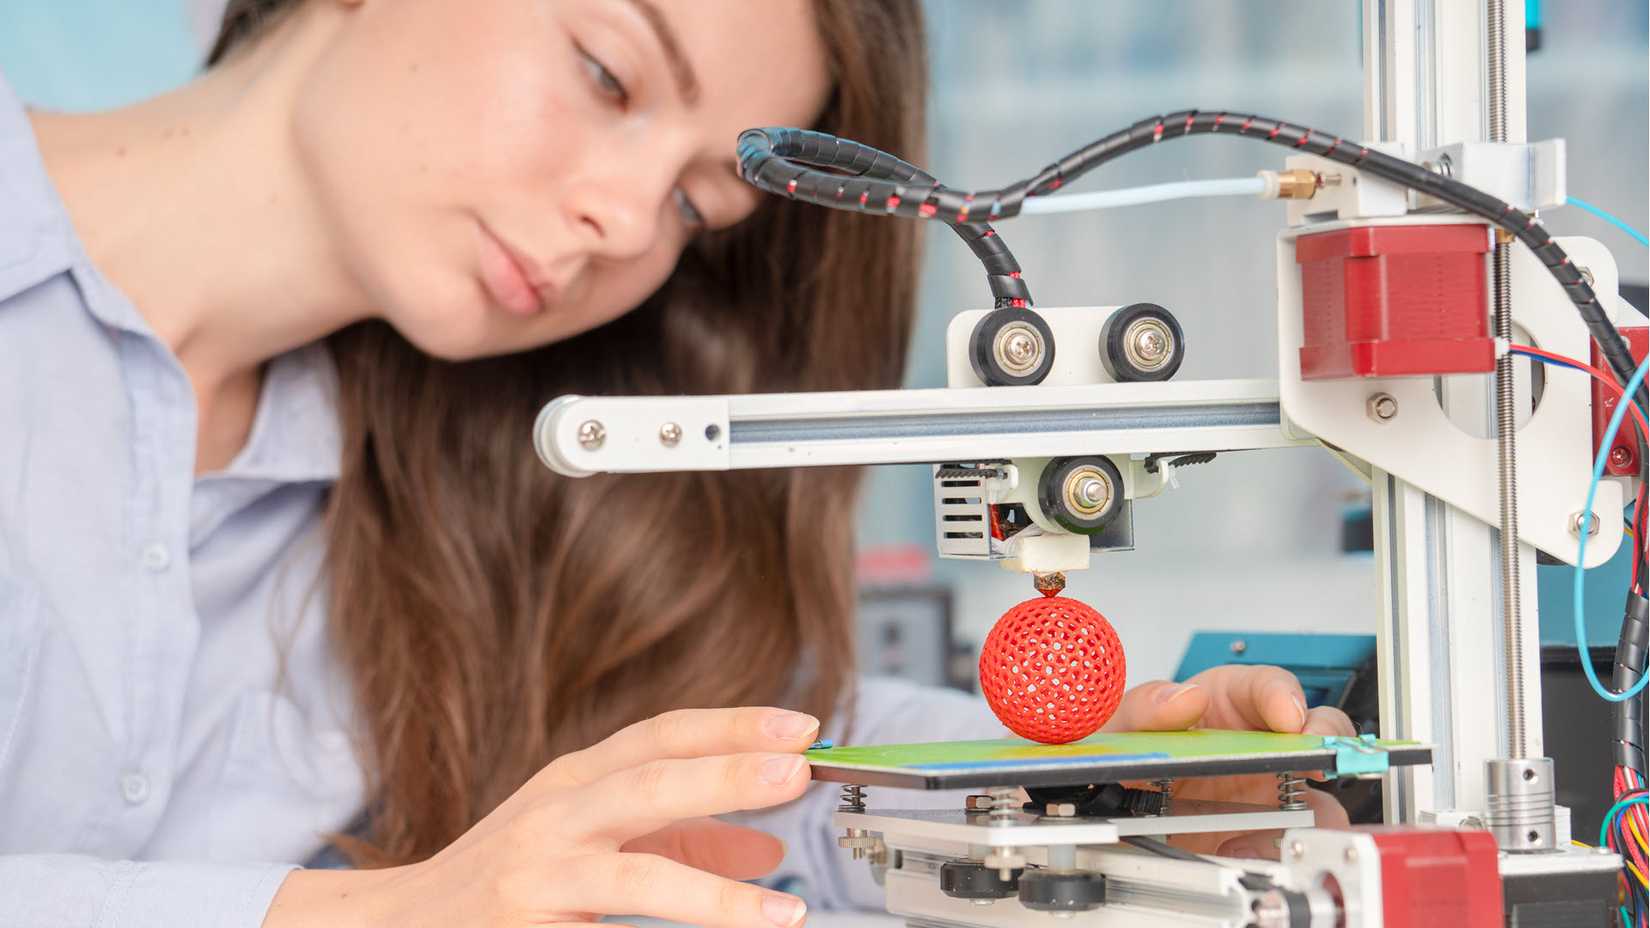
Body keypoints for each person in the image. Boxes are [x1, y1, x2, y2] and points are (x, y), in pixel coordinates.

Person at [0, 0, 1354, 925]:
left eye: (700, 203)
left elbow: (755, 757)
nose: (622, 218)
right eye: (607, 73)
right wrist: (356, 912)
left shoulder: (455, 473)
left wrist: (1095, 794)